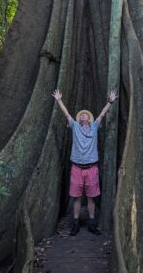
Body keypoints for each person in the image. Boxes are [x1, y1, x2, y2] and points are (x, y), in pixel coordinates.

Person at [52, 89, 118, 236]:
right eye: (82, 115)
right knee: (76, 197)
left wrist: (110, 102)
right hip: (76, 168)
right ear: (79, 119)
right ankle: (75, 224)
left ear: (89, 119)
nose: (84, 116)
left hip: (91, 168)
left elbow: (102, 114)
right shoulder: (74, 126)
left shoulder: (94, 127)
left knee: (91, 198)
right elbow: (66, 114)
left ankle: (92, 224)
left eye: (86, 115)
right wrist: (59, 100)